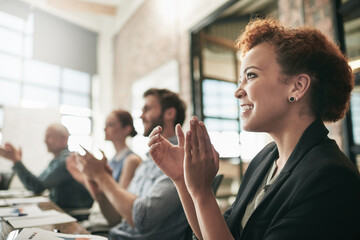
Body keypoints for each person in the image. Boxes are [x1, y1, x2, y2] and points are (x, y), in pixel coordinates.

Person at [148, 18, 360, 240]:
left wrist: (202, 193)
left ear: (297, 87)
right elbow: (218, 233)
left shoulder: (331, 178)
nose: (238, 91)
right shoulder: (266, 159)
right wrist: (183, 180)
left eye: (251, 75)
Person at [76, 88, 189, 239]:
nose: (141, 116)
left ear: (169, 113)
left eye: (147, 109)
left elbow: (142, 219)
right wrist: (99, 191)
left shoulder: (182, 161)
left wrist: (102, 177)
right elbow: (116, 218)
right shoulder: (146, 162)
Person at [66, 110, 142, 226]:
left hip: (112, 222)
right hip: (102, 216)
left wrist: (97, 175)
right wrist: (84, 177)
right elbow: (101, 196)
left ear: (126, 129)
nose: (105, 128)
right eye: (105, 124)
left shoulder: (131, 160)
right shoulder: (112, 160)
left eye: (110, 124)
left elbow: (117, 202)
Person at [0, 123, 93, 210]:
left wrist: (16, 161)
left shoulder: (66, 161)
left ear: (63, 139)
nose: (44, 141)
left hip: (70, 214)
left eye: (49, 136)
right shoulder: (57, 160)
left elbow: (37, 186)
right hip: (60, 210)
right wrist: (16, 161)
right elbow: (36, 182)